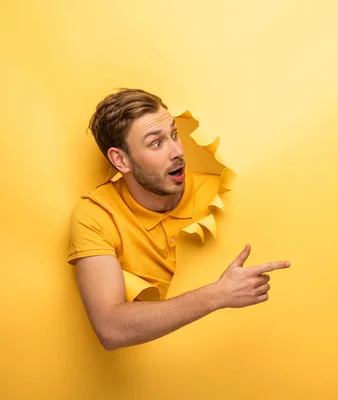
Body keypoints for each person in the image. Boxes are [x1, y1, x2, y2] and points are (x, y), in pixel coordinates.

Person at [68, 89, 290, 351]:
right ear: (121, 160)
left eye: (174, 134)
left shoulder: (225, 192)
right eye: (156, 143)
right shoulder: (95, 214)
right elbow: (110, 328)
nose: (177, 151)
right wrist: (219, 294)